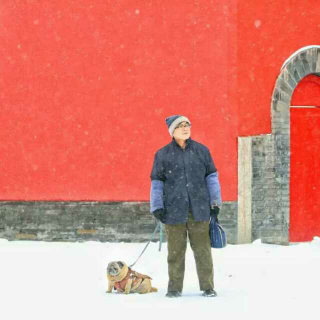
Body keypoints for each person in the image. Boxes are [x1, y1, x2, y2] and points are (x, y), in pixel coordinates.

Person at [150, 115, 222, 298]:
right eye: (180, 126)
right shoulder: (162, 154)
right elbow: (157, 182)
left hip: (199, 210)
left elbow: (211, 177)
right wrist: (157, 207)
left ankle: (208, 287)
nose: (185, 128)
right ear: (172, 131)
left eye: (187, 124)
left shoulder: (202, 151)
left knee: (203, 251)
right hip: (173, 211)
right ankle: (174, 288)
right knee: (175, 253)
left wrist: (215, 202)